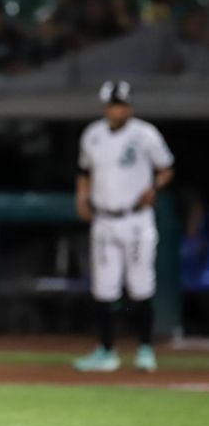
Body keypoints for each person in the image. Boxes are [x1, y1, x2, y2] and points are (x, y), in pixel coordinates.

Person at [73, 80, 174, 373]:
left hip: (136, 219)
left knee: (141, 286)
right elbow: (83, 171)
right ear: (106, 107)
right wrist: (81, 197)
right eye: (116, 105)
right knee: (104, 289)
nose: (121, 110)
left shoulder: (145, 134)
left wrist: (154, 186)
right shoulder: (93, 135)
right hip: (104, 218)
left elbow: (166, 168)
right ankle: (106, 351)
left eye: (125, 104)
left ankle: (145, 349)